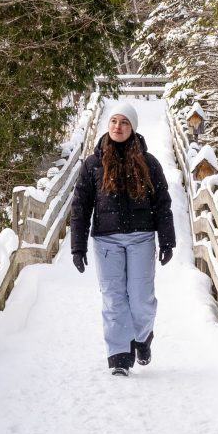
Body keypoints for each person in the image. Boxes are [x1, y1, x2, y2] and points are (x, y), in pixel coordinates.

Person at [70, 101, 176, 376]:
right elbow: (80, 206)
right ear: (108, 126)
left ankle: (141, 338)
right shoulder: (93, 164)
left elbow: (163, 203)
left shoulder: (149, 164)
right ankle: (119, 354)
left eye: (124, 122)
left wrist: (167, 241)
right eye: (114, 121)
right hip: (106, 241)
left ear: (133, 128)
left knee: (141, 299)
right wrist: (77, 247)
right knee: (114, 299)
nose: (118, 126)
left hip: (141, 238)